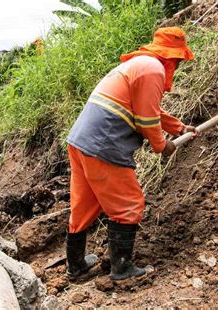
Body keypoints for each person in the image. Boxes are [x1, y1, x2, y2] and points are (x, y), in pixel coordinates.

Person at [65, 27, 199, 281]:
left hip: (81, 141)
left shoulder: (139, 65)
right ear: (172, 57)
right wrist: (163, 146)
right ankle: (122, 268)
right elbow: (147, 120)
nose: (179, 67)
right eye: (179, 61)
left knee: (84, 204)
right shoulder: (154, 69)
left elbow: (145, 109)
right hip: (105, 144)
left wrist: (179, 127)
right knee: (128, 205)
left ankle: (76, 265)